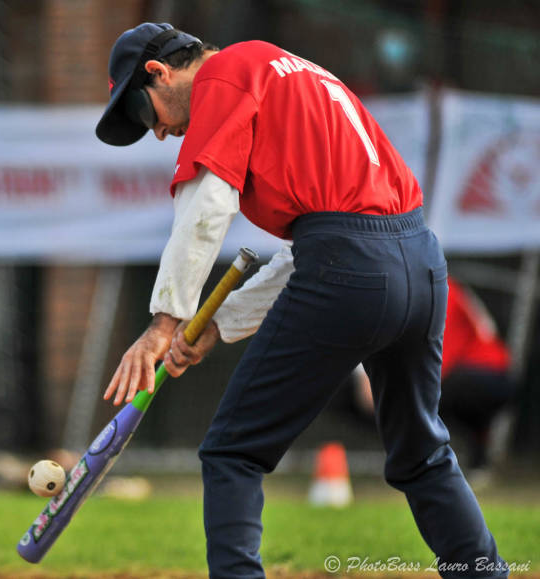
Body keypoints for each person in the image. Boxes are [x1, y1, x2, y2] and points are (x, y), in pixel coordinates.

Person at [95, 22, 506, 577]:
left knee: (232, 453)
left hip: (353, 268)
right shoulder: (288, 71)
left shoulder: (222, 75)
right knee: (422, 455)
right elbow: (317, 244)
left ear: (159, 72)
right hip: (421, 262)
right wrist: (221, 323)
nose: (162, 135)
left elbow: (207, 208)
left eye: (147, 116)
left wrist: (163, 325)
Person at [351, 276, 517, 473]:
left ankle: (441, 454)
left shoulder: (439, 292)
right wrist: (366, 376)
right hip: (461, 374)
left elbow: (437, 362)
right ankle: (431, 451)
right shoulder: (399, 294)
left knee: (419, 394)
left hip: (483, 373)